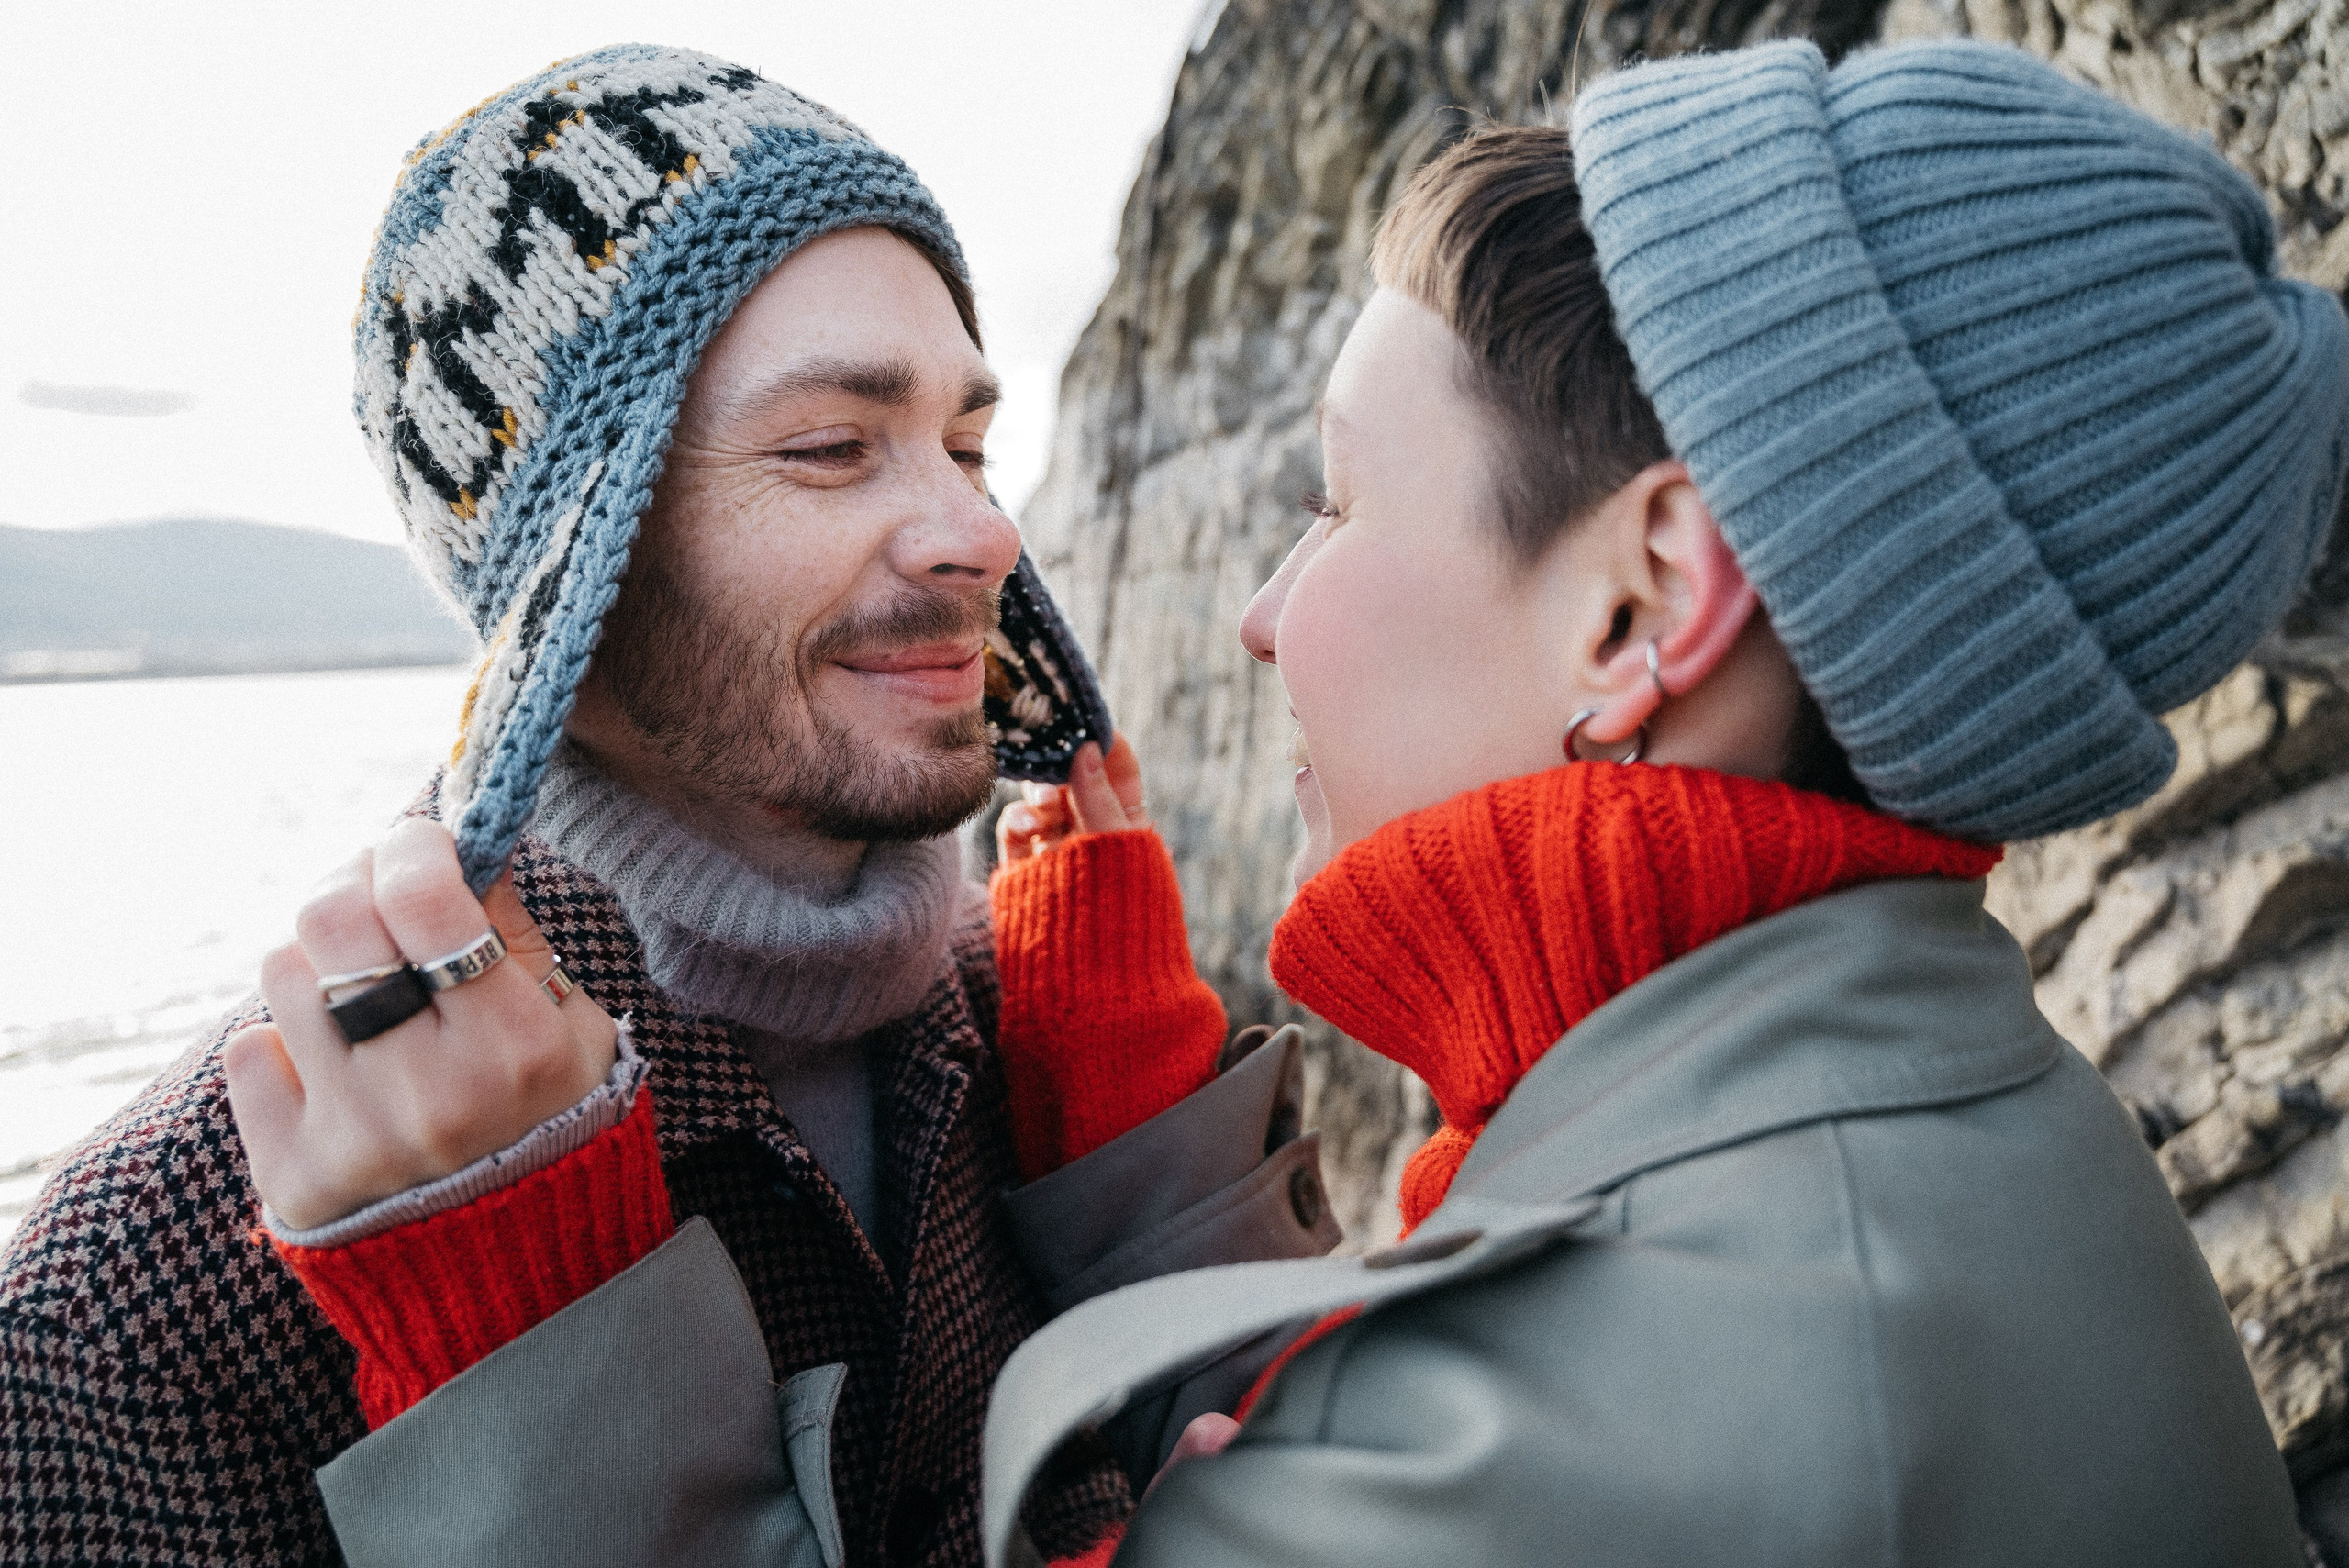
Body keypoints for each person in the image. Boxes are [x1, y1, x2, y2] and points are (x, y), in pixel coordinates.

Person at [981, 39, 2347, 1566]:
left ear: (1643, 608)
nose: (1259, 611)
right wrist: (1133, 1129)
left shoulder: (1592, 1441)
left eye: (1337, 499)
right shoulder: (1961, 1134)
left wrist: (648, 1287)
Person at [0, 46, 1336, 1568]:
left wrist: (1162, 1173)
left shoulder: (1035, 1037)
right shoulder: (152, 1299)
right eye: (834, 447)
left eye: (968, 443)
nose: (982, 527)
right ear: (582, 561)